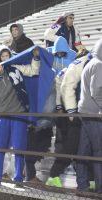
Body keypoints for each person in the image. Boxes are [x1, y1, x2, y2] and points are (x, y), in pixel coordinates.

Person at [25, 36, 76, 183]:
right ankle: (31, 174)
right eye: (57, 53)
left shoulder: (72, 57)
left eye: (62, 53)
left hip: (63, 105)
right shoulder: (45, 56)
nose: (59, 56)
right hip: (46, 106)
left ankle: (46, 174)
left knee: (57, 139)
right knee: (37, 137)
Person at [45, 47, 93, 188]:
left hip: (71, 112)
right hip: (71, 114)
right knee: (70, 146)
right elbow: (63, 88)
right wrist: (67, 110)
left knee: (81, 147)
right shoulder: (76, 67)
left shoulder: (70, 67)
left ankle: (86, 179)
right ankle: (54, 176)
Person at [76, 38, 102, 194]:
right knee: (99, 151)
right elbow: (97, 91)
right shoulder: (99, 65)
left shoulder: (92, 63)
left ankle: (82, 185)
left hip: (85, 111)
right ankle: (100, 189)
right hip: (93, 114)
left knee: (84, 150)